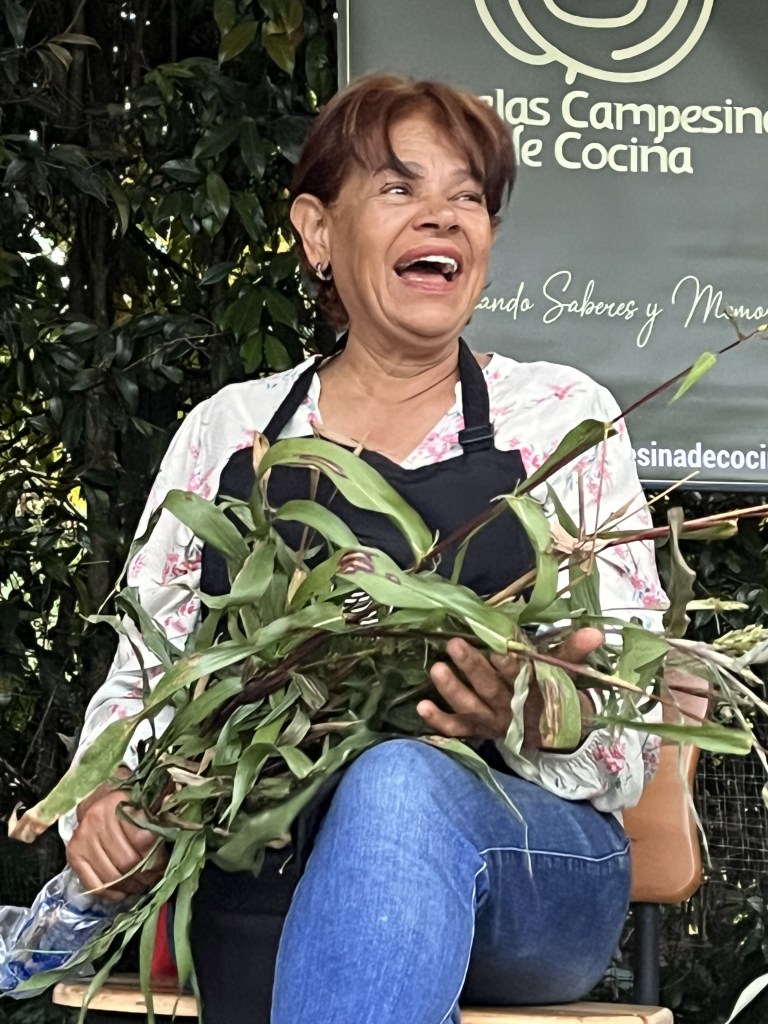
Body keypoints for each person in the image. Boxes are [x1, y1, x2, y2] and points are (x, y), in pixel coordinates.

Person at [63, 75, 668, 1024]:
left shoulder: (561, 421)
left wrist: (522, 711)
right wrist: (101, 809)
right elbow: (145, 683)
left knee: (397, 780)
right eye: (399, 189)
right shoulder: (233, 431)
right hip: (260, 871)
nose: (444, 217)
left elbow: (634, 745)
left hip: (531, 874)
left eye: (468, 196)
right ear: (316, 230)